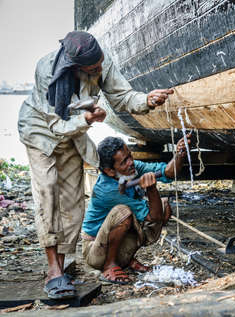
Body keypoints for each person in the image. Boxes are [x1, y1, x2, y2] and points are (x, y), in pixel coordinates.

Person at [17, 31, 174, 299]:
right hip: (41, 133)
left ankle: (63, 264)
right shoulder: (47, 70)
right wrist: (88, 120)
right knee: (48, 194)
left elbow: (122, 96)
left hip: (74, 134)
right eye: (93, 69)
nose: (99, 70)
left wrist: (147, 100)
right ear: (75, 68)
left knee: (72, 201)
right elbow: (56, 124)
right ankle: (54, 271)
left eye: (100, 64)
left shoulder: (101, 62)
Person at [81, 135, 189, 284]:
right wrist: (151, 190)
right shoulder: (106, 190)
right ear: (110, 171)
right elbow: (153, 217)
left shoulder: (132, 168)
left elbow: (169, 172)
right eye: (124, 162)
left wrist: (179, 155)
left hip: (115, 244)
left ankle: (126, 260)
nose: (131, 162)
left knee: (164, 205)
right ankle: (109, 265)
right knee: (123, 212)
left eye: (129, 156)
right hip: (96, 251)